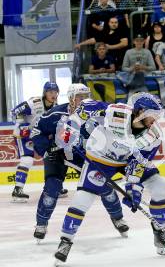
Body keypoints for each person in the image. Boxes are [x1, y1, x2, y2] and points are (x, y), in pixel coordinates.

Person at [54, 93, 165, 264]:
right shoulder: (115, 112)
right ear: (141, 111)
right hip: (100, 159)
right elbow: (83, 108)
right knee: (82, 198)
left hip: (128, 162)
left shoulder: (154, 136)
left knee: (160, 185)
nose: (156, 120)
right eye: (154, 115)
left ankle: (161, 235)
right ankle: (65, 241)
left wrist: (134, 189)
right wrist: (70, 129)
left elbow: (139, 165)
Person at [30, 84, 128, 242]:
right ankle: (41, 223)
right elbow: (36, 132)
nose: (84, 99)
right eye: (80, 97)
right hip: (58, 154)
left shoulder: (97, 111)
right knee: (52, 187)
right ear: (71, 98)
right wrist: (47, 149)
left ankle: (118, 218)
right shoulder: (55, 114)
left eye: (86, 96)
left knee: (103, 184)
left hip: (82, 154)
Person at [10, 82, 59, 201]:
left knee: (53, 156)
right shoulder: (35, 102)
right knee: (27, 160)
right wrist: (21, 126)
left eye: (55, 92)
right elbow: (15, 111)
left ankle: (54, 186)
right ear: (44, 93)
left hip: (38, 135)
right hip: (24, 134)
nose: (53, 94)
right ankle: (17, 189)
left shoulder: (56, 107)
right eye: (50, 92)